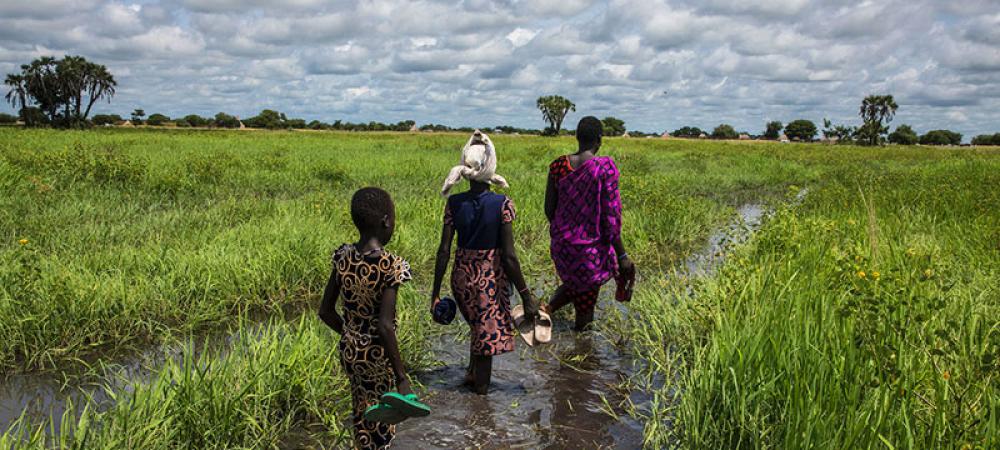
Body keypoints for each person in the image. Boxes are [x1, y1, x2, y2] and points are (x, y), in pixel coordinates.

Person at [431, 130, 538, 395]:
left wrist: (434, 293)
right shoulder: (502, 204)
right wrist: (526, 296)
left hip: (462, 279)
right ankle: (480, 402)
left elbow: (444, 250)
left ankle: (470, 373)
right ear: (490, 165)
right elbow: (509, 257)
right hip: (488, 281)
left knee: (477, 327)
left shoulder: (454, 203)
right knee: (486, 339)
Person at [318, 187, 417, 450]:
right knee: (384, 420)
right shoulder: (391, 266)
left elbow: (325, 311)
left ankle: (363, 444)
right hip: (377, 354)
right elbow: (385, 326)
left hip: (350, 351)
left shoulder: (342, 257)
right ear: (386, 221)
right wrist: (402, 377)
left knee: (362, 410)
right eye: (393, 219)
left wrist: (352, 335)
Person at [543, 116, 636, 331]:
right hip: (589, 251)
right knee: (584, 315)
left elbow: (550, 210)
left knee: (575, 285)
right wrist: (621, 255)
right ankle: (582, 357)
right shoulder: (605, 168)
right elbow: (610, 217)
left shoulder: (558, 166)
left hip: (562, 246)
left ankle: (545, 310)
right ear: (599, 139)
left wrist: (567, 232)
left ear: (577, 137)